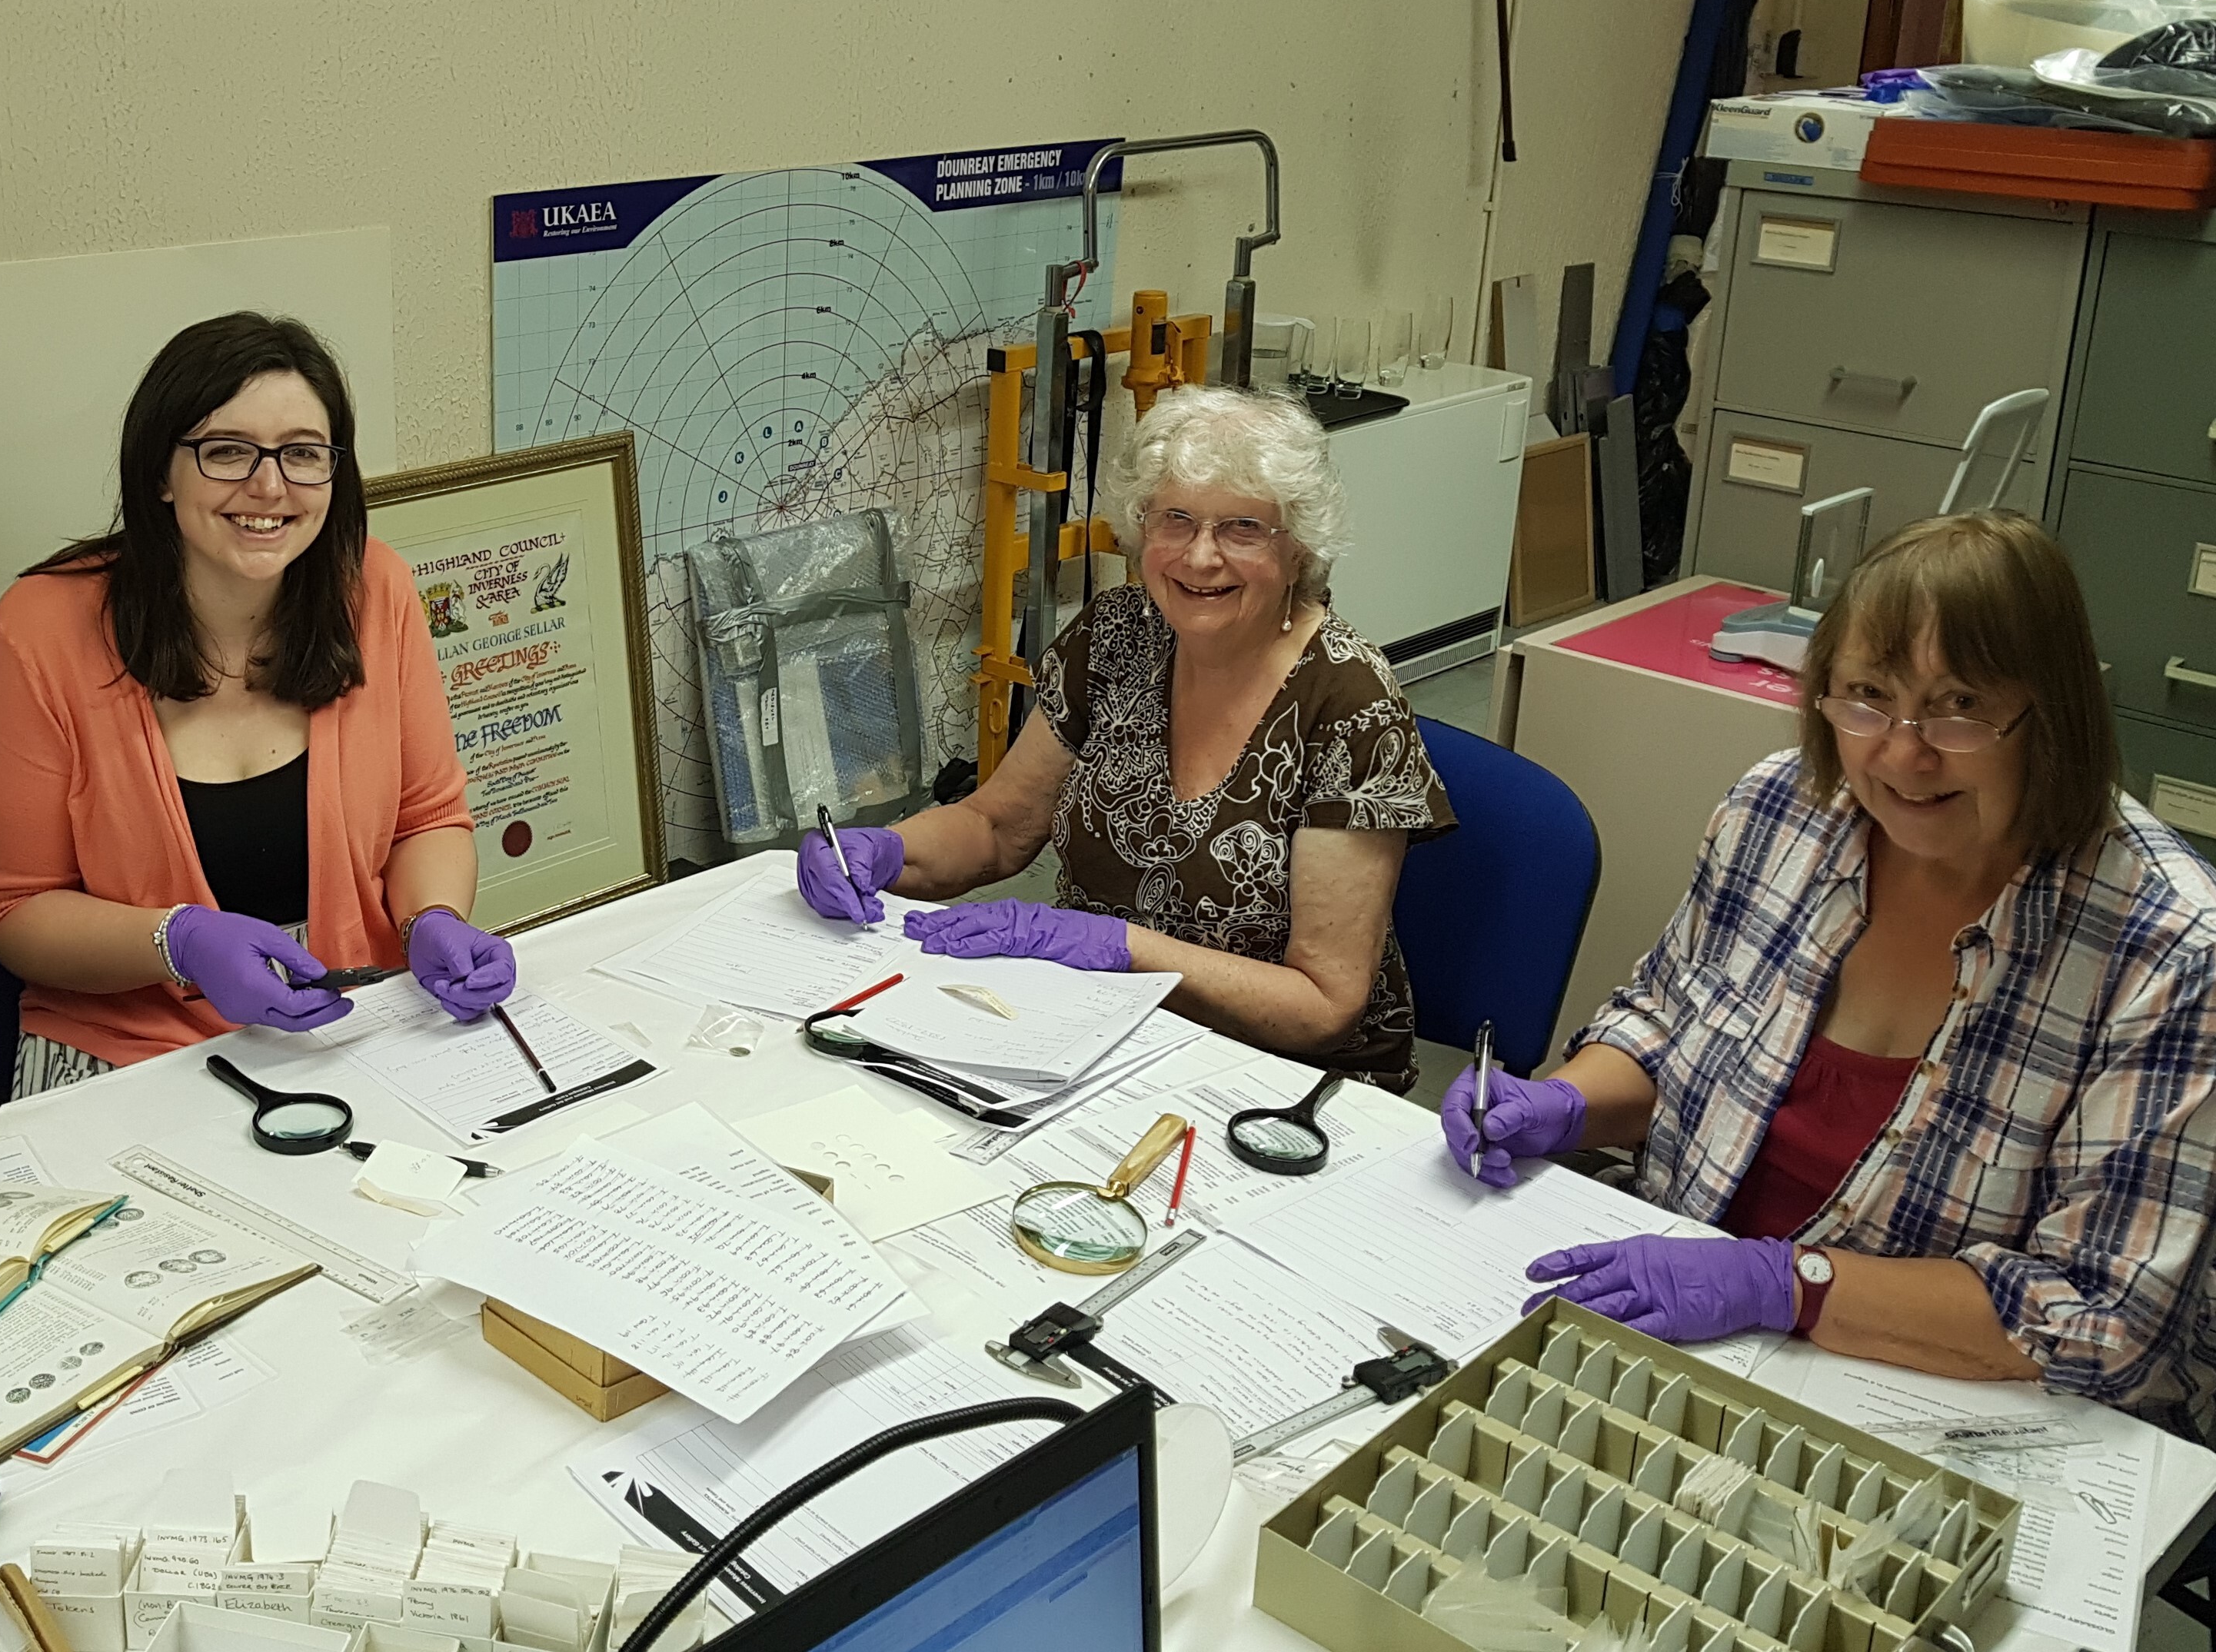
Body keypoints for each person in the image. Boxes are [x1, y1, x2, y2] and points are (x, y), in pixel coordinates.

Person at [1443, 511, 2216, 1438]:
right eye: (1864, 696)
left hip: (1937, 1405)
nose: (1901, 752)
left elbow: (2100, 1319)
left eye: (1959, 705)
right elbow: (1663, 1023)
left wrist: (1787, 1285)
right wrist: (1565, 1104)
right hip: (1682, 1322)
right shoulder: (1783, 807)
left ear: (2046, 713)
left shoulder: (2165, 948)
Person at [794, 384, 1455, 1089]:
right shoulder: (1119, 636)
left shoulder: (1349, 702)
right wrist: (884, 852)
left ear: (1299, 552)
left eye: (1242, 529)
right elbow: (997, 827)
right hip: (1096, 1032)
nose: (1200, 558)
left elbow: (1321, 1005)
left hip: (1282, 1085)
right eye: (1177, 520)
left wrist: (1117, 947)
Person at [0, 313, 515, 1095]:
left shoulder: (374, 591)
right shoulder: (41, 629)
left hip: (349, 1016)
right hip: (124, 1044)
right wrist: (176, 941)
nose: (269, 486)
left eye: (302, 454)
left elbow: (425, 819)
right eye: (226, 452)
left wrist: (432, 919)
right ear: (160, 472)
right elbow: (9, 907)